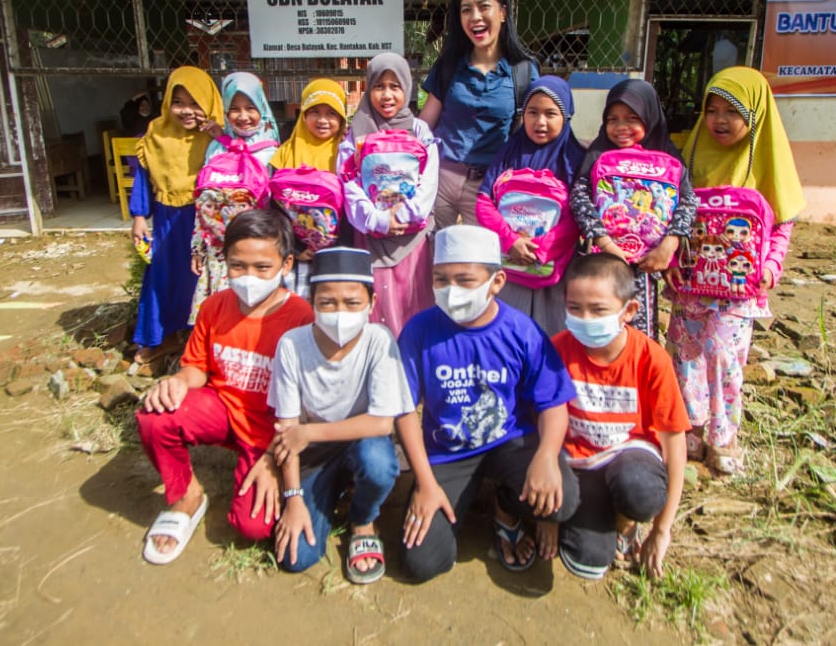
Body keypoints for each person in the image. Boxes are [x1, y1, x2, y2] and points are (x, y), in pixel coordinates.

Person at [395, 225, 579, 582]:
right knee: (422, 562)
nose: (451, 291)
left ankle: (506, 509)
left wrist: (545, 456)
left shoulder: (521, 331)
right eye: (440, 279)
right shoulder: (418, 330)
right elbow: (403, 409)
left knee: (564, 497)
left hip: (511, 443)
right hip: (448, 452)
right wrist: (425, 482)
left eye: (465, 280)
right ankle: (463, 495)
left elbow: (553, 401)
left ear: (496, 282)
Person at [137, 208, 313, 564]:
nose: (249, 276)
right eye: (237, 265)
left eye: (262, 267)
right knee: (155, 415)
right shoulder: (215, 306)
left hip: (271, 431)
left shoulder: (302, 320)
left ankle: (263, 468)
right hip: (220, 410)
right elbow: (196, 368)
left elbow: (309, 407)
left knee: (253, 528)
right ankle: (185, 496)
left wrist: (272, 458)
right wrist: (176, 382)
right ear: (225, 261)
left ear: (286, 264)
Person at [665, 67, 804, 475]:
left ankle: (723, 438)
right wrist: (673, 260)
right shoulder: (692, 156)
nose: (719, 121)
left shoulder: (767, 162)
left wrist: (772, 267)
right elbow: (674, 218)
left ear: (756, 116)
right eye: (712, 110)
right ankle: (689, 427)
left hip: (739, 291)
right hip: (690, 286)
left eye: (733, 112)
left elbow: (781, 225)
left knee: (724, 359)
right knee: (685, 356)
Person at [537, 253, 689, 581]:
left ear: (628, 311)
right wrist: (547, 516)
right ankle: (582, 514)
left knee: (639, 489)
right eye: (574, 308)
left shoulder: (652, 359)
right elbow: (539, 424)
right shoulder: (556, 349)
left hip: (628, 459)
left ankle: (625, 521)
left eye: (598, 310)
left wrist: (662, 529)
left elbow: (674, 445)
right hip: (576, 464)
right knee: (587, 563)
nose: (584, 318)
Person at [268, 247, 415, 584]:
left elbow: (381, 422)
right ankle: (329, 490)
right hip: (312, 457)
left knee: (378, 462)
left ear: (372, 303)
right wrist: (293, 499)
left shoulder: (379, 339)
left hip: (358, 444)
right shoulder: (291, 344)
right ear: (311, 300)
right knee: (297, 558)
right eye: (327, 302)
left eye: (352, 302)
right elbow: (288, 430)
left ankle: (363, 519)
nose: (339, 312)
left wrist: (308, 433)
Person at [570, 79, 698, 337]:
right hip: (602, 261)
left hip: (646, 266)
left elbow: (687, 202)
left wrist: (669, 247)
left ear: (649, 117)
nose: (621, 128)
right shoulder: (597, 155)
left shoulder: (668, 160)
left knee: (637, 335)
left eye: (632, 118)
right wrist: (606, 244)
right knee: (597, 325)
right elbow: (579, 197)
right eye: (613, 119)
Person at [418, 0, 538, 228]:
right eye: (466, 10)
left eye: (484, 7)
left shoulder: (524, 72)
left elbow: (535, 132)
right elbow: (426, 122)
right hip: (441, 180)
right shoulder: (448, 65)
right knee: (432, 258)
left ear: (503, 12)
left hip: (488, 187)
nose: (475, 17)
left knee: (480, 260)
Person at [129, 66, 225, 368]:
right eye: (178, 102)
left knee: (203, 278)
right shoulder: (155, 134)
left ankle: (200, 340)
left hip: (206, 220)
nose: (187, 111)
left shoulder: (216, 136)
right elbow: (143, 178)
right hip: (169, 218)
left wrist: (220, 137)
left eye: (196, 103)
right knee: (164, 276)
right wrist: (139, 216)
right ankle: (159, 337)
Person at [474, 75, 584, 336]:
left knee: (552, 335)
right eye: (532, 112)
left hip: (554, 268)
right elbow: (483, 201)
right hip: (510, 265)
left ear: (566, 116)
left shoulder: (575, 159)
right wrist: (510, 240)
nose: (540, 122)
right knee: (507, 332)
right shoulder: (509, 152)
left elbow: (576, 216)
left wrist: (541, 250)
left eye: (551, 114)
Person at [339, 52, 439, 336]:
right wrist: (377, 220)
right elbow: (348, 180)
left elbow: (429, 179)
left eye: (395, 87)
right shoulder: (356, 133)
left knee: (413, 306)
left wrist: (406, 215)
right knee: (376, 312)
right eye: (378, 86)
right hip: (370, 237)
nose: (386, 95)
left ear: (407, 88)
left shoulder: (419, 131)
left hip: (412, 238)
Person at [270, 78, 349, 296]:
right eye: (314, 111)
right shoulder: (284, 154)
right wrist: (294, 249)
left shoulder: (346, 154)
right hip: (297, 255)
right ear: (303, 113)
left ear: (342, 117)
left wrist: (334, 246)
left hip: (337, 252)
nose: (323, 120)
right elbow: (274, 209)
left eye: (331, 113)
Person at [211, 71, 281, 167]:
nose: (243, 117)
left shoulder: (275, 152)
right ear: (226, 113)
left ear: (262, 110)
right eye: (234, 109)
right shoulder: (216, 148)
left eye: (250, 108)